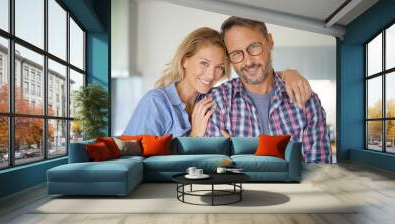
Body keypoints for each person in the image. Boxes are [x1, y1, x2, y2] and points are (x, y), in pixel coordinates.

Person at [123, 27, 312, 138]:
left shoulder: (210, 99)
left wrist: (288, 73)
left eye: (219, 67)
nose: (211, 75)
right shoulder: (156, 103)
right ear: (184, 60)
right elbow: (134, 158)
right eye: (204, 64)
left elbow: (254, 78)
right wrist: (195, 137)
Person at [205, 17, 331, 163]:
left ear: (270, 41)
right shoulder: (218, 102)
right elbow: (215, 167)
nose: (248, 62)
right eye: (236, 54)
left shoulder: (305, 99)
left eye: (253, 47)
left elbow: (319, 167)